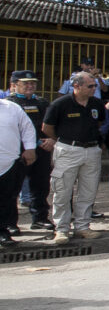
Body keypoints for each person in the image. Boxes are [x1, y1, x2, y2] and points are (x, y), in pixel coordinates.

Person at [42, 71, 106, 243]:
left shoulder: (96, 103)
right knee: (62, 191)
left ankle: (82, 227)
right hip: (68, 150)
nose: (94, 89)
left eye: (95, 86)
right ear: (76, 86)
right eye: (90, 86)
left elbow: (99, 122)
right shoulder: (60, 104)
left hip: (91, 150)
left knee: (88, 191)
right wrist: (62, 140)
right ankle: (61, 228)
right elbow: (47, 127)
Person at [8, 71, 53, 232]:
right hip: (19, 151)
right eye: (25, 83)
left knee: (41, 186)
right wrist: (33, 143)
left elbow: (52, 123)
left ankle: (40, 218)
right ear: (14, 85)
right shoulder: (10, 104)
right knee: (12, 189)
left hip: (42, 150)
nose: (30, 86)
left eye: (33, 83)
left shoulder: (42, 102)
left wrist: (52, 139)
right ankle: (9, 223)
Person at [0, 94, 37, 247]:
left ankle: (3, 232)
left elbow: (27, 128)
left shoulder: (11, 107)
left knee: (6, 199)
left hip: (8, 163)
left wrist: (30, 148)